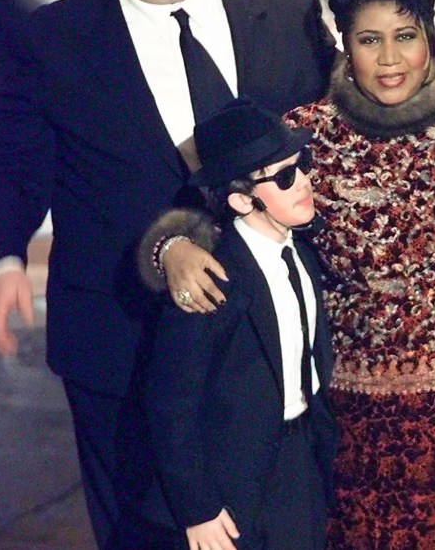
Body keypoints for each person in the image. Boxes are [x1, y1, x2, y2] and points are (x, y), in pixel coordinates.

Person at [150, 0, 435, 548]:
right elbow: (219, 198)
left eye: (407, 37)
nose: (391, 58)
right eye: (370, 39)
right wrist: (171, 246)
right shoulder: (308, 139)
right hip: (360, 429)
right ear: (344, 44)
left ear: (431, 34)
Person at [140, 99, 336, 550]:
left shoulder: (303, 252)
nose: (304, 182)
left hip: (299, 460)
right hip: (230, 479)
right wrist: (198, 509)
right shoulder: (211, 278)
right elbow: (172, 403)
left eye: (301, 164)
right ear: (242, 199)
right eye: (285, 177)